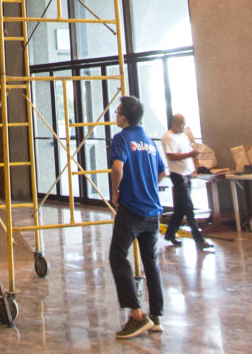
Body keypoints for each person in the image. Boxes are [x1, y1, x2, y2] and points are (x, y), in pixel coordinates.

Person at [109, 95, 167, 340]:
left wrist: (116, 193)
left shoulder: (122, 139)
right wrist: (147, 186)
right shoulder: (149, 142)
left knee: (117, 256)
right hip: (153, 211)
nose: (116, 114)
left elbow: (117, 167)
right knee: (150, 262)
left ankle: (136, 315)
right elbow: (162, 172)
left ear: (124, 116)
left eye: (118, 111)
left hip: (131, 209)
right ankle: (156, 318)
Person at [161, 113, 214, 250]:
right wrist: (190, 154)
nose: (182, 127)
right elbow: (171, 156)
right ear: (174, 123)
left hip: (187, 174)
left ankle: (170, 233)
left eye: (184, 124)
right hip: (178, 175)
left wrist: (195, 154)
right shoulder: (168, 137)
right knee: (189, 208)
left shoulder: (183, 136)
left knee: (180, 208)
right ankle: (199, 239)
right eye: (181, 124)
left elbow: (188, 151)